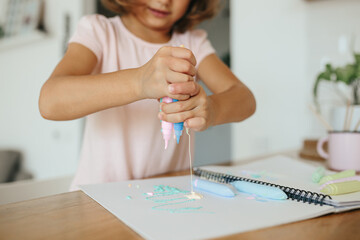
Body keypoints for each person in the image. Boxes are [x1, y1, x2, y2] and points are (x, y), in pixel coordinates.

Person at [39, 0, 256, 191]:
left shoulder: (193, 43)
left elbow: (245, 99)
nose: (164, 1)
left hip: (167, 197)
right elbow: (50, 101)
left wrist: (212, 109)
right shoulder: (99, 31)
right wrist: (139, 82)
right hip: (97, 198)